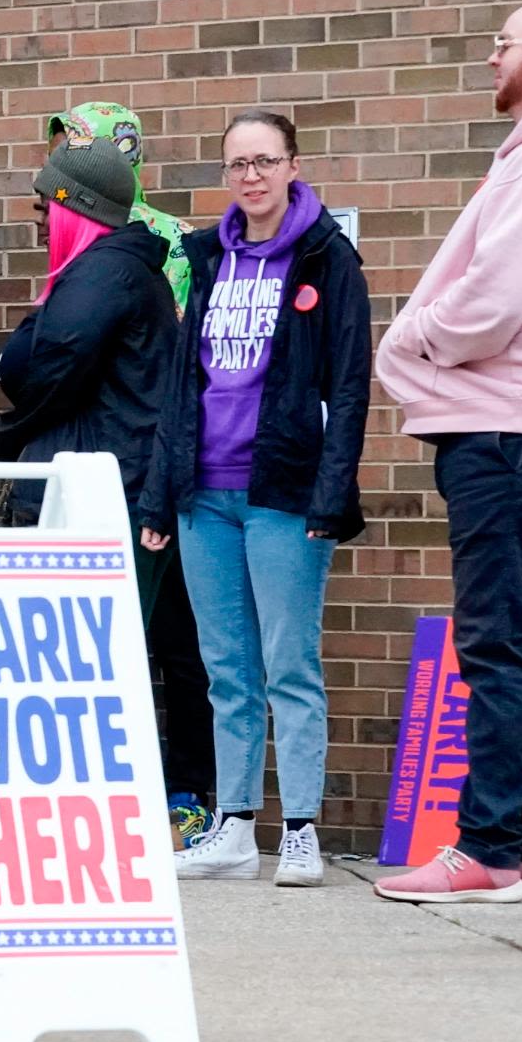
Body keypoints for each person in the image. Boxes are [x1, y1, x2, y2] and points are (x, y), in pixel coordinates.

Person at [373, 0, 522, 905]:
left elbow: (489, 307)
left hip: (502, 434)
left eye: (503, 45)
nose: (488, 58)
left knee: (498, 648)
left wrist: (411, 336)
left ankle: (485, 851)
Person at [138, 111, 373, 888]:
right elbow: (180, 384)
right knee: (223, 669)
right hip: (203, 495)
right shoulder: (205, 257)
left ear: (291, 166)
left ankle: (299, 828)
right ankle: (234, 828)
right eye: (236, 164)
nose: (249, 177)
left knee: (288, 665)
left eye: (263, 161)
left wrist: (329, 497)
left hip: (282, 492)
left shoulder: (325, 260)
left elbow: (347, 384)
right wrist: (158, 495)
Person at [0, 136, 215, 843]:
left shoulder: (99, 277)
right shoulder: (109, 272)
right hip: (112, 483)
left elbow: (41, 368)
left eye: (41, 205)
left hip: (108, 494)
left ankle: (128, 806)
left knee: (102, 658)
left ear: (72, 205)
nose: (33, 219)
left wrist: (9, 427)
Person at [47, 101, 196, 312]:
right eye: (52, 161)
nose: (55, 174)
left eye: (67, 159)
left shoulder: (181, 241)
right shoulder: (71, 229)